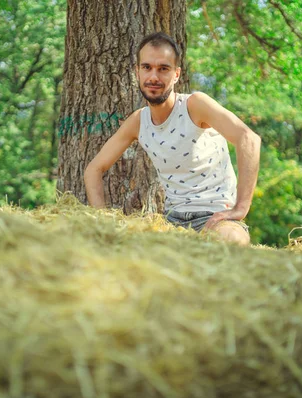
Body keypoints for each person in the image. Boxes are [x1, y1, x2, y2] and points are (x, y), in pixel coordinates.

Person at [84, 32, 261, 246]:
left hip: (216, 219)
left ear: (176, 74)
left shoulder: (195, 105)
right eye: (147, 67)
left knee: (232, 241)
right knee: (129, 247)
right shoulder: (138, 121)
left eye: (163, 69)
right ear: (137, 72)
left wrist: (241, 208)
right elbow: (94, 169)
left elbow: (249, 139)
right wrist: (102, 222)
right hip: (171, 221)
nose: (154, 77)